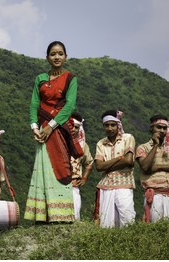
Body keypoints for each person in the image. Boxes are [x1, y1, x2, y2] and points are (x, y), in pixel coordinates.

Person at [24, 41, 83, 223]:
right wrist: (35, 127)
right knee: (43, 167)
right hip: (42, 130)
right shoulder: (40, 78)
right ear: (47, 57)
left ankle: (61, 216)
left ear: (65, 57)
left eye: (60, 54)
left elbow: (69, 105)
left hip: (58, 129)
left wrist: (51, 125)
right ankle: (42, 216)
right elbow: (35, 103)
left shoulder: (70, 78)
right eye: (52, 54)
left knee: (59, 165)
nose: (56, 57)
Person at [94, 110, 136, 228]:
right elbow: (98, 167)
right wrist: (119, 158)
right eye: (107, 125)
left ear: (118, 125)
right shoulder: (101, 143)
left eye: (113, 125)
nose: (110, 128)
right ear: (103, 126)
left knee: (127, 219)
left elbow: (128, 160)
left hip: (124, 184)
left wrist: (107, 165)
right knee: (106, 223)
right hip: (106, 186)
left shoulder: (127, 138)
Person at [136, 114, 169, 223]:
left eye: (164, 128)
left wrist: (156, 167)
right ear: (152, 128)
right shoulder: (143, 148)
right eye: (158, 127)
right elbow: (145, 167)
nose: (162, 131)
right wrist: (155, 145)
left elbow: (150, 168)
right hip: (154, 194)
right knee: (155, 228)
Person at [70, 112, 94, 221]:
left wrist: (84, 178)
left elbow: (89, 163)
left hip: (74, 185)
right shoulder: (58, 142)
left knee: (74, 216)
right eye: (71, 126)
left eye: (76, 127)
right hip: (57, 185)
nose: (74, 129)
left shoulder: (83, 145)